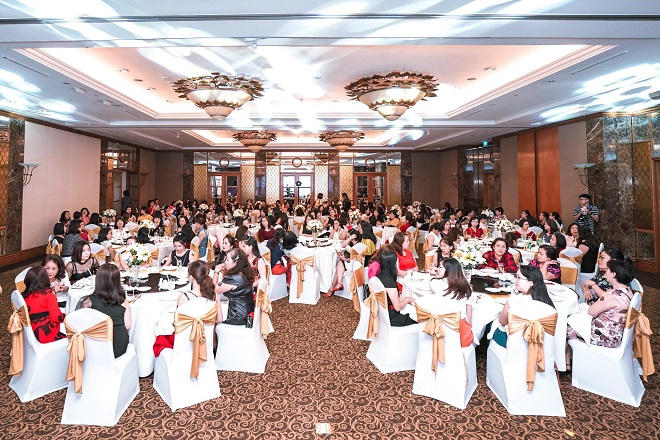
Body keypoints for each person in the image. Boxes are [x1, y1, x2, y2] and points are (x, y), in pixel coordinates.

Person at [153, 260, 223, 357]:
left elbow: (177, 324)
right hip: (206, 342)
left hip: (187, 343)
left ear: (191, 277)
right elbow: (219, 319)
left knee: (160, 336)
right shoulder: (214, 294)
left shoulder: (184, 297)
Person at [567, 259, 634, 355]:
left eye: (608, 270)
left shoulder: (611, 296)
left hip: (604, 337)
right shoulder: (628, 291)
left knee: (564, 328)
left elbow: (591, 311)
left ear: (613, 274)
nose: (605, 273)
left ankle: (564, 360)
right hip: (616, 334)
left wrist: (599, 309)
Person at [493, 265, 556, 347]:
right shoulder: (546, 303)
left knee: (491, 323)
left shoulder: (513, 300)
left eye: (519, 277)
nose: (515, 280)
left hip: (513, 342)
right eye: (516, 277)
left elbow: (502, 321)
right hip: (539, 342)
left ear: (531, 283)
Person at [87, 264, 130, 358]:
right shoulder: (123, 300)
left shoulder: (88, 301)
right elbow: (127, 325)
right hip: (118, 345)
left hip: (96, 346)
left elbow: (82, 325)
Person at [22, 266, 66, 343]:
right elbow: (56, 317)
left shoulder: (25, 295)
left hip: (30, 332)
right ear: (45, 279)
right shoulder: (49, 296)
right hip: (45, 334)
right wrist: (67, 316)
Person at [435, 257, 473, 345]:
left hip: (446, 327)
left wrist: (433, 275)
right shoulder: (467, 287)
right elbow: (469, 306)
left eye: (440, 267)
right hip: (462, 328)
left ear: (449, 270)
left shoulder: (437, 284)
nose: (437, 269)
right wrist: (469, 324)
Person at [213, 248, 255, 325]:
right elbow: (224, 283)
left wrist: (216, 271)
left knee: (212, 316)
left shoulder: (234, 278)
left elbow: (214, 289)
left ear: (235, 262)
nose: (224, 262)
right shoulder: (244, 273)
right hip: (247, 312)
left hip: (238, 317)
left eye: (227, 260)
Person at [377, 250, 416, 326]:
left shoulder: (380, 275)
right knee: (420, 316)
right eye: (397, 261)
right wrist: (407, 300)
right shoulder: (389, 283)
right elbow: (397, 307)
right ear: (393, 264)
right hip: (390, 317)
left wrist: (405, 299)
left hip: (381, 313)